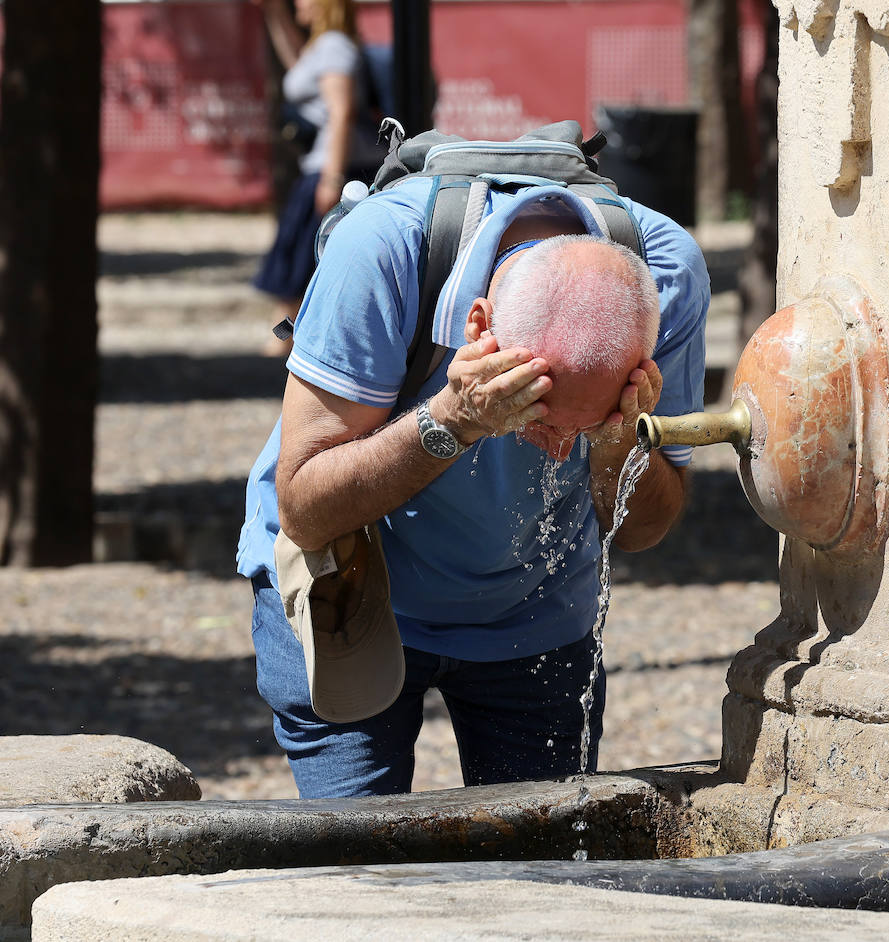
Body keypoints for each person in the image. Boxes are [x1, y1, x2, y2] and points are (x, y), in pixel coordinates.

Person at [236, 176, 709, 798]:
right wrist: (452, 421)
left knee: (540, 873)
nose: (562, 448)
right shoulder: (383, 252)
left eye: (582, 426)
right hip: (349, 584)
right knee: (356, 869)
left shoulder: (665, 273)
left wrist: (617, 443)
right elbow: (306, 509)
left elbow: (644, 531)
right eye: (536, 413)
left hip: (534, 616)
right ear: (478, 326)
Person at [253, 0, 384, 356]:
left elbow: (341, 112)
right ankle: (286, 339)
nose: (298, 2)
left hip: (334, 169)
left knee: (303, 263)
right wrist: (274, 15)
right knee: (298, 260)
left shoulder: (334, 47)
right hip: (326, 168)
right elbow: (299, 68)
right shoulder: (323, 47)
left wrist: (332, 178)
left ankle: (285, 342)